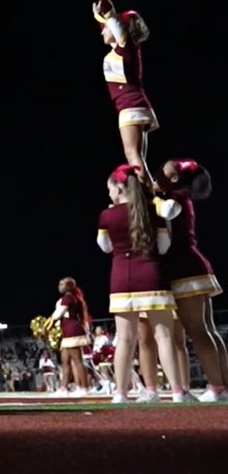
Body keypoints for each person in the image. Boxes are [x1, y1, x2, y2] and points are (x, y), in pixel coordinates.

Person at [98, 164, 183, 403]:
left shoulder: (106, 215)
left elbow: (105, 248)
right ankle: (177, 392)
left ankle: (120, 394)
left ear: (119, 187)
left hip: (121, 278)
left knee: (125, 339)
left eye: (110, 189)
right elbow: (164, 248)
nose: (108, 194)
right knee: (163, 336)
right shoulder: (152, 211)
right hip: (152, 275)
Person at [155, 159, 227, 402]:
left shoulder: (176, 197)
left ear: (174, 178)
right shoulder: (177, 194)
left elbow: (165, 211)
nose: (159, 171)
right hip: (192, 267)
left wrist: (150, 194)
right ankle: (221, 385)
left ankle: (217, 387)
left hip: (185, 269)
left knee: (199, 332)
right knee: (207, 331)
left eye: (165, 169)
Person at [91, 0, 157, 184]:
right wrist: (99, 11)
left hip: (130, 106)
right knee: (139, 159)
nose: (102, 30)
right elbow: (105, 20)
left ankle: (154, 201)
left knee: (133, 157)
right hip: (134, 105)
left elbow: (110, 16)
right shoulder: (121, 49)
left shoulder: (126, 45)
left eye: (108, 27)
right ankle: (153, 197)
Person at [49, 277, 91, 396]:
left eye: (62, 284)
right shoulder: (70, 298)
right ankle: (63, 388)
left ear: (68, 287)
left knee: (78, 361)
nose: (59, 286)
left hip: (72, 331)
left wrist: (46, 325)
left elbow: (58, 314)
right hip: (67, 331)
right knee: (65, 361)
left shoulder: (68, 298)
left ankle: (84, 388)